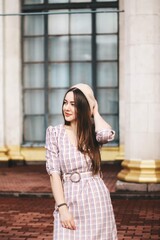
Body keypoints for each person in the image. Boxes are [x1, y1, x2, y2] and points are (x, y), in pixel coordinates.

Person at [45, 83, 117, 240]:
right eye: (65, 102)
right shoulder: (55, 133)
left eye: (73, 104)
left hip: (96, 199)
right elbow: (54, 173)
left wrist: (95, 111)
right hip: (69, 197)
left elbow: (106, 135)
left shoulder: (92, 132)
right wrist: (62, 208)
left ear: (85, 108)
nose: (67, 108)